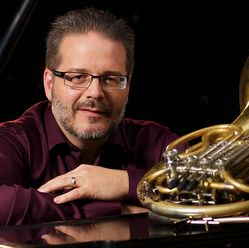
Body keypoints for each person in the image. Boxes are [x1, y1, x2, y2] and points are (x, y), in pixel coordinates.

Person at [0, 7, 183, 226]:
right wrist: (114, 210)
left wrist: (125, 183)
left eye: (111, 79)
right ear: (49, 84)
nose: (95, 92)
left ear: (128, 87)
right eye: (77, 77)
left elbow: (215, 189)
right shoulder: (13, 140)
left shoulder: (155, 141)